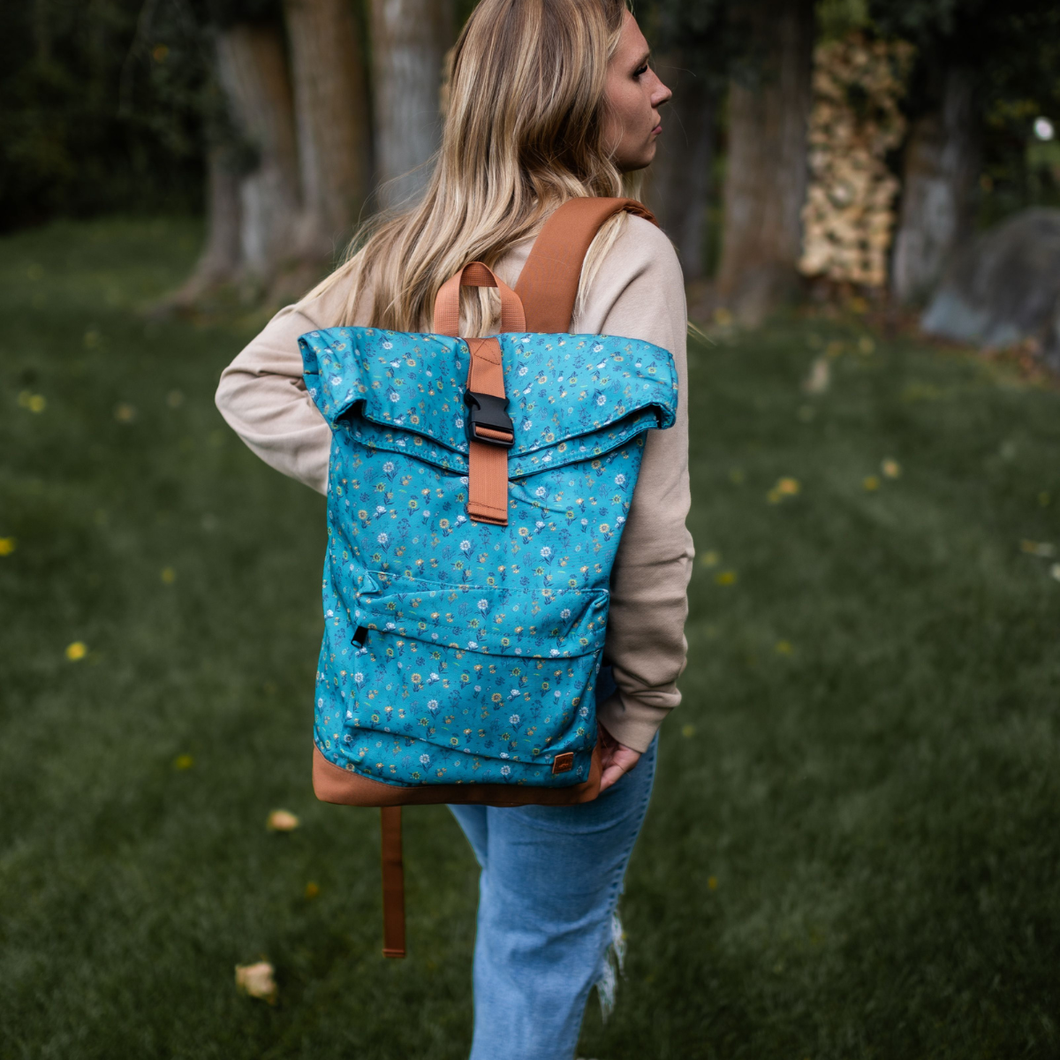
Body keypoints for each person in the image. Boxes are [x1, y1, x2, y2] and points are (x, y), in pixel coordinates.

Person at [215, 1, 692, 1055]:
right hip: (568, 677)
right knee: (534, 953)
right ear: (569, 95)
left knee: (520, 911)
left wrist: (412, 493)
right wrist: (643, 700)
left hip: (435, 667)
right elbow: (651, 521)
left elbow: (252, 383)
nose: (661, 91)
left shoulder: (419, 241)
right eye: (636, 72)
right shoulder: (625, 255)